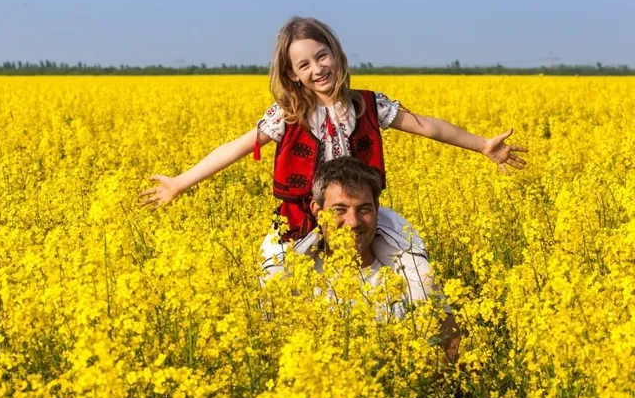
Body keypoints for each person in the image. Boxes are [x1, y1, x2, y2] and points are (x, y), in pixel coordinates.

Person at [139, 16, 527, 268]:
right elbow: (236, 148)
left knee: (415, 267)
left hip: (358, 212)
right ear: (292, 75)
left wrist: (481, 145)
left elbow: (427, 126)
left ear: (336, 55)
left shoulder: (368, 104)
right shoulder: (288, 115)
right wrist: (179, 182)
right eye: (304, 65)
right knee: (275, 284)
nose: (317, 68)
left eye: (321, 56)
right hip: (302, 220)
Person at [264, 156, 459, 360]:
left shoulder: (411, 277)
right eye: (339, 210)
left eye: (364, 209)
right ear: (317, 211)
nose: (352, 222)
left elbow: (450, 348)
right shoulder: (292, 281)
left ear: (377, 208)